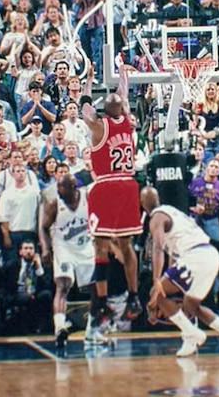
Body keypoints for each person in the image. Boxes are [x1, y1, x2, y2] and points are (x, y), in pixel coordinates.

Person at [141, 187, 219, 357]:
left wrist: (156, 279)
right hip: (210, 255)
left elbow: (158, 248)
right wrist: (165, 279)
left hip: (196, 255)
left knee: (157, 292)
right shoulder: (172, 212)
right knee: (192, 305)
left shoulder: (156, 218)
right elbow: (173, 257)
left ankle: (191, 333)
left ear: (142, 205)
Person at [80, 66, 142, 327]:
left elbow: (83, 107)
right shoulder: (127, 120)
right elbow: (123, 95)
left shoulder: (97, 126)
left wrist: (88, 82)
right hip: (128, 184)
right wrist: (122, 73)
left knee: (101, 245)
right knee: (126, 245)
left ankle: (103, 302)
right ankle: (134, 296)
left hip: (106, 185)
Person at [40, 174, 95, 349]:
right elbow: (43, 227)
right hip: (63, 247)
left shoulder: (87, 198)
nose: (58, 190)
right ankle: (60, 327)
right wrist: (45, 249)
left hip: (86, 247)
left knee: (96, 288)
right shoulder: (55, 205)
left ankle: (91, 329)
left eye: (62, 187)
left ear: (72, 187)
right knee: (63, 285)